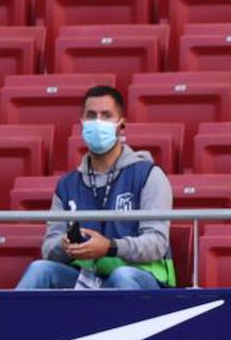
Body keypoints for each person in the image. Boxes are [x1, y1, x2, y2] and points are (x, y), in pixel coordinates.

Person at [16, 85, 175, 289]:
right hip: (87, 278)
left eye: (106, 115)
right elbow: (49, 248)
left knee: (122, 276)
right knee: (39, 269)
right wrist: (65, 246)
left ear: (121, 124)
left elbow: (156, 243)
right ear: (82, 123)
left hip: (142, 278)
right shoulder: (67, 185)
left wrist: (110, 247)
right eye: (91, 115)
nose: (98, 122)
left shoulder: (149, 175)